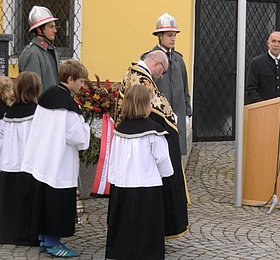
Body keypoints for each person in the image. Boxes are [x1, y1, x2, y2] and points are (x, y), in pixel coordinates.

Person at [115, 50, 189, 237]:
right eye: (163, 71)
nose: (162, 75)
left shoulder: (134, 74)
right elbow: (160, 114)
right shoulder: (142, 81)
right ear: (156, 64)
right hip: (142, 159)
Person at [21, 60, 90, 258]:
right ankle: (53, 242)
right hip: (60, 161)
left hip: (44, 157)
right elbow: (75, 136)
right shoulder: (66, 104)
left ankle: (43, 237)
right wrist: (85, 127)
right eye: (81, 81)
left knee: (44, 199)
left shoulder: (48, 95)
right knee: (57, 203)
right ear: (70, 79)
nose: (83, 86)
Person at [106, 85, 173, 260]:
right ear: (146, 105)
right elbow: (163, 159)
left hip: (123, 185)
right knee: (147, 225)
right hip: (148, 186)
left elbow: (113, 157)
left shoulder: (119, 130)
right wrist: (166, 175)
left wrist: (113, 179)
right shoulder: (154, 131)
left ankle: (122, 252)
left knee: (124, 223)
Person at [141, 13, 192, 156]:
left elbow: (185, 89)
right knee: (160, 154)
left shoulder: (178, 60)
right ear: (160, 36)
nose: (173, 39)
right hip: (159, 117)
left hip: (178, 116)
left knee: (176, 156)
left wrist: (187, 113)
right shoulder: (149, 58)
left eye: (174, 35)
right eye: (169, 35)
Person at [0, 72, 41, 246]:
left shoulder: (9, 114)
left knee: (9, 201)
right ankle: (27, 235)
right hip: (29, 164)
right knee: (27, 201)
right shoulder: (38, 114)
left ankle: (7, 233)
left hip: (8, 163)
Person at [246, 31, 280, 104]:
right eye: (273, 41)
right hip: (262, 110)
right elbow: (251, 90)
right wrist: (264, 105)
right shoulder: (257, 62)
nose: (276, 45)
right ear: (268, 43)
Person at [18, 6, 60, 92]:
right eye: (51, 26)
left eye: (55, 26)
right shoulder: (31, 52)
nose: (55, 30)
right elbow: (32, 90)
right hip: (41, 105)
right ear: (39, 29)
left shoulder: (50, 49)